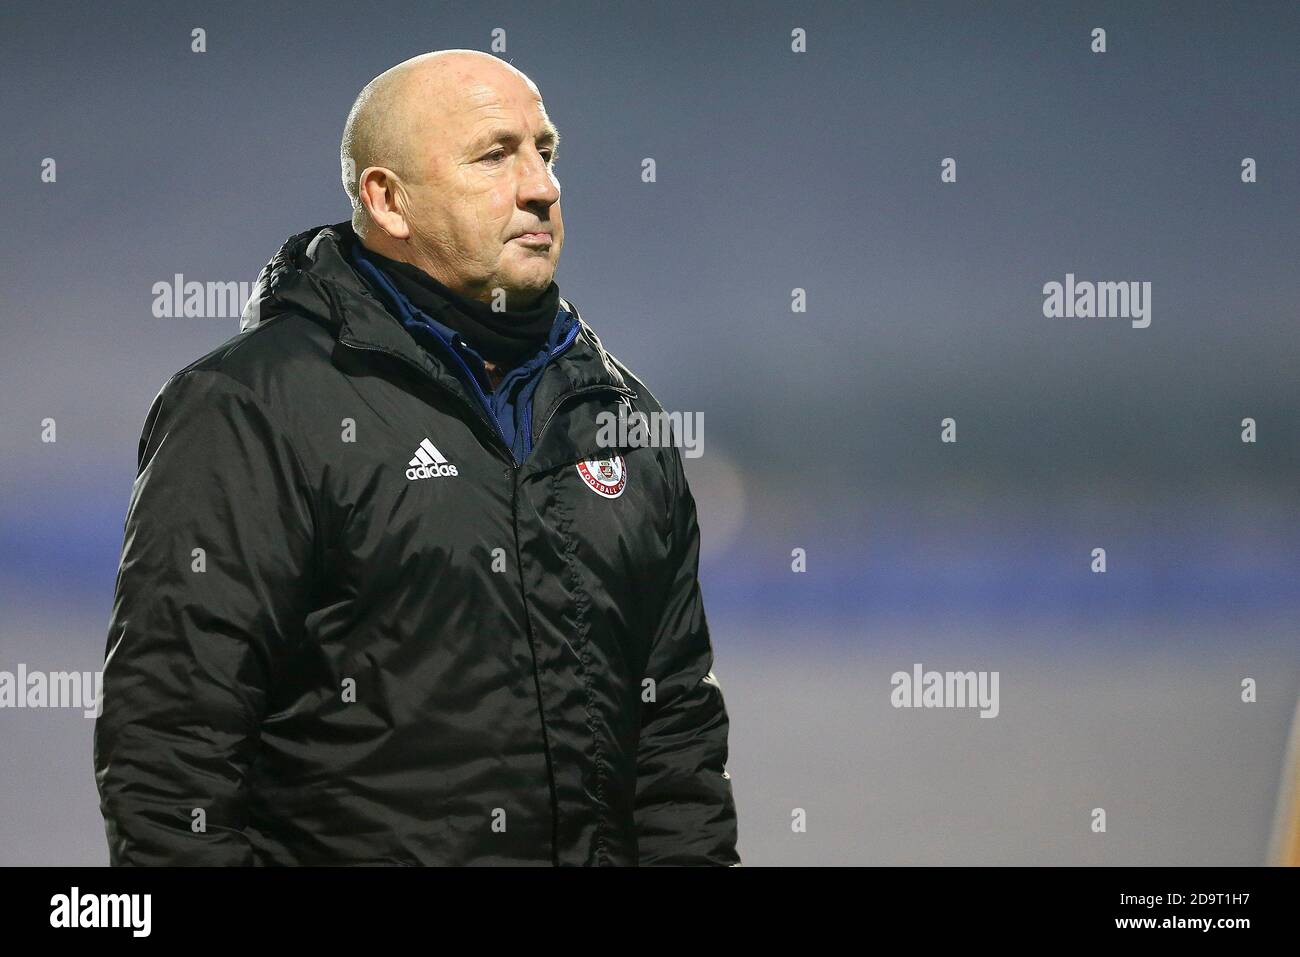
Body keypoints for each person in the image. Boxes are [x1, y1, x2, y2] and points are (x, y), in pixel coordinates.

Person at [92, 49, 740, 866]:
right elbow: (171, 752)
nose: (542, 185)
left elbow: (676, 741)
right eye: (495, 155)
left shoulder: (619, 417)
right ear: (387, 199)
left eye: (547, 151)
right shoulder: (253, 407)